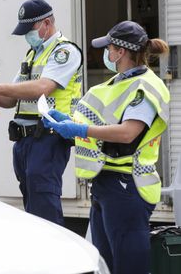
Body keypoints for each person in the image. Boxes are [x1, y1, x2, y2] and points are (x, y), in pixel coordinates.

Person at [43, 21, 170, 274]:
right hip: (104, 184)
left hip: (126, 186)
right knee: (105, 266)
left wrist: (80, 130)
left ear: (120, 52)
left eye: (109, 48)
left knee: (128, 267)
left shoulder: (144, 87)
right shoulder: (117, 83)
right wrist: (70, 121)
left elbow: (127, 133)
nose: (106, 54)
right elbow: (103, 122)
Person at [0, 0, 83, 226]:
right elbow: (12, 99)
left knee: (44, 208)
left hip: (48, 137)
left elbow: (43, 87)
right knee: (33, 209)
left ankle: (55, 258)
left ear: (46, 24)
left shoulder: (64, 51)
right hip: (25, 141)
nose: (27, 35)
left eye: (29, 29)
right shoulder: (33, 54)